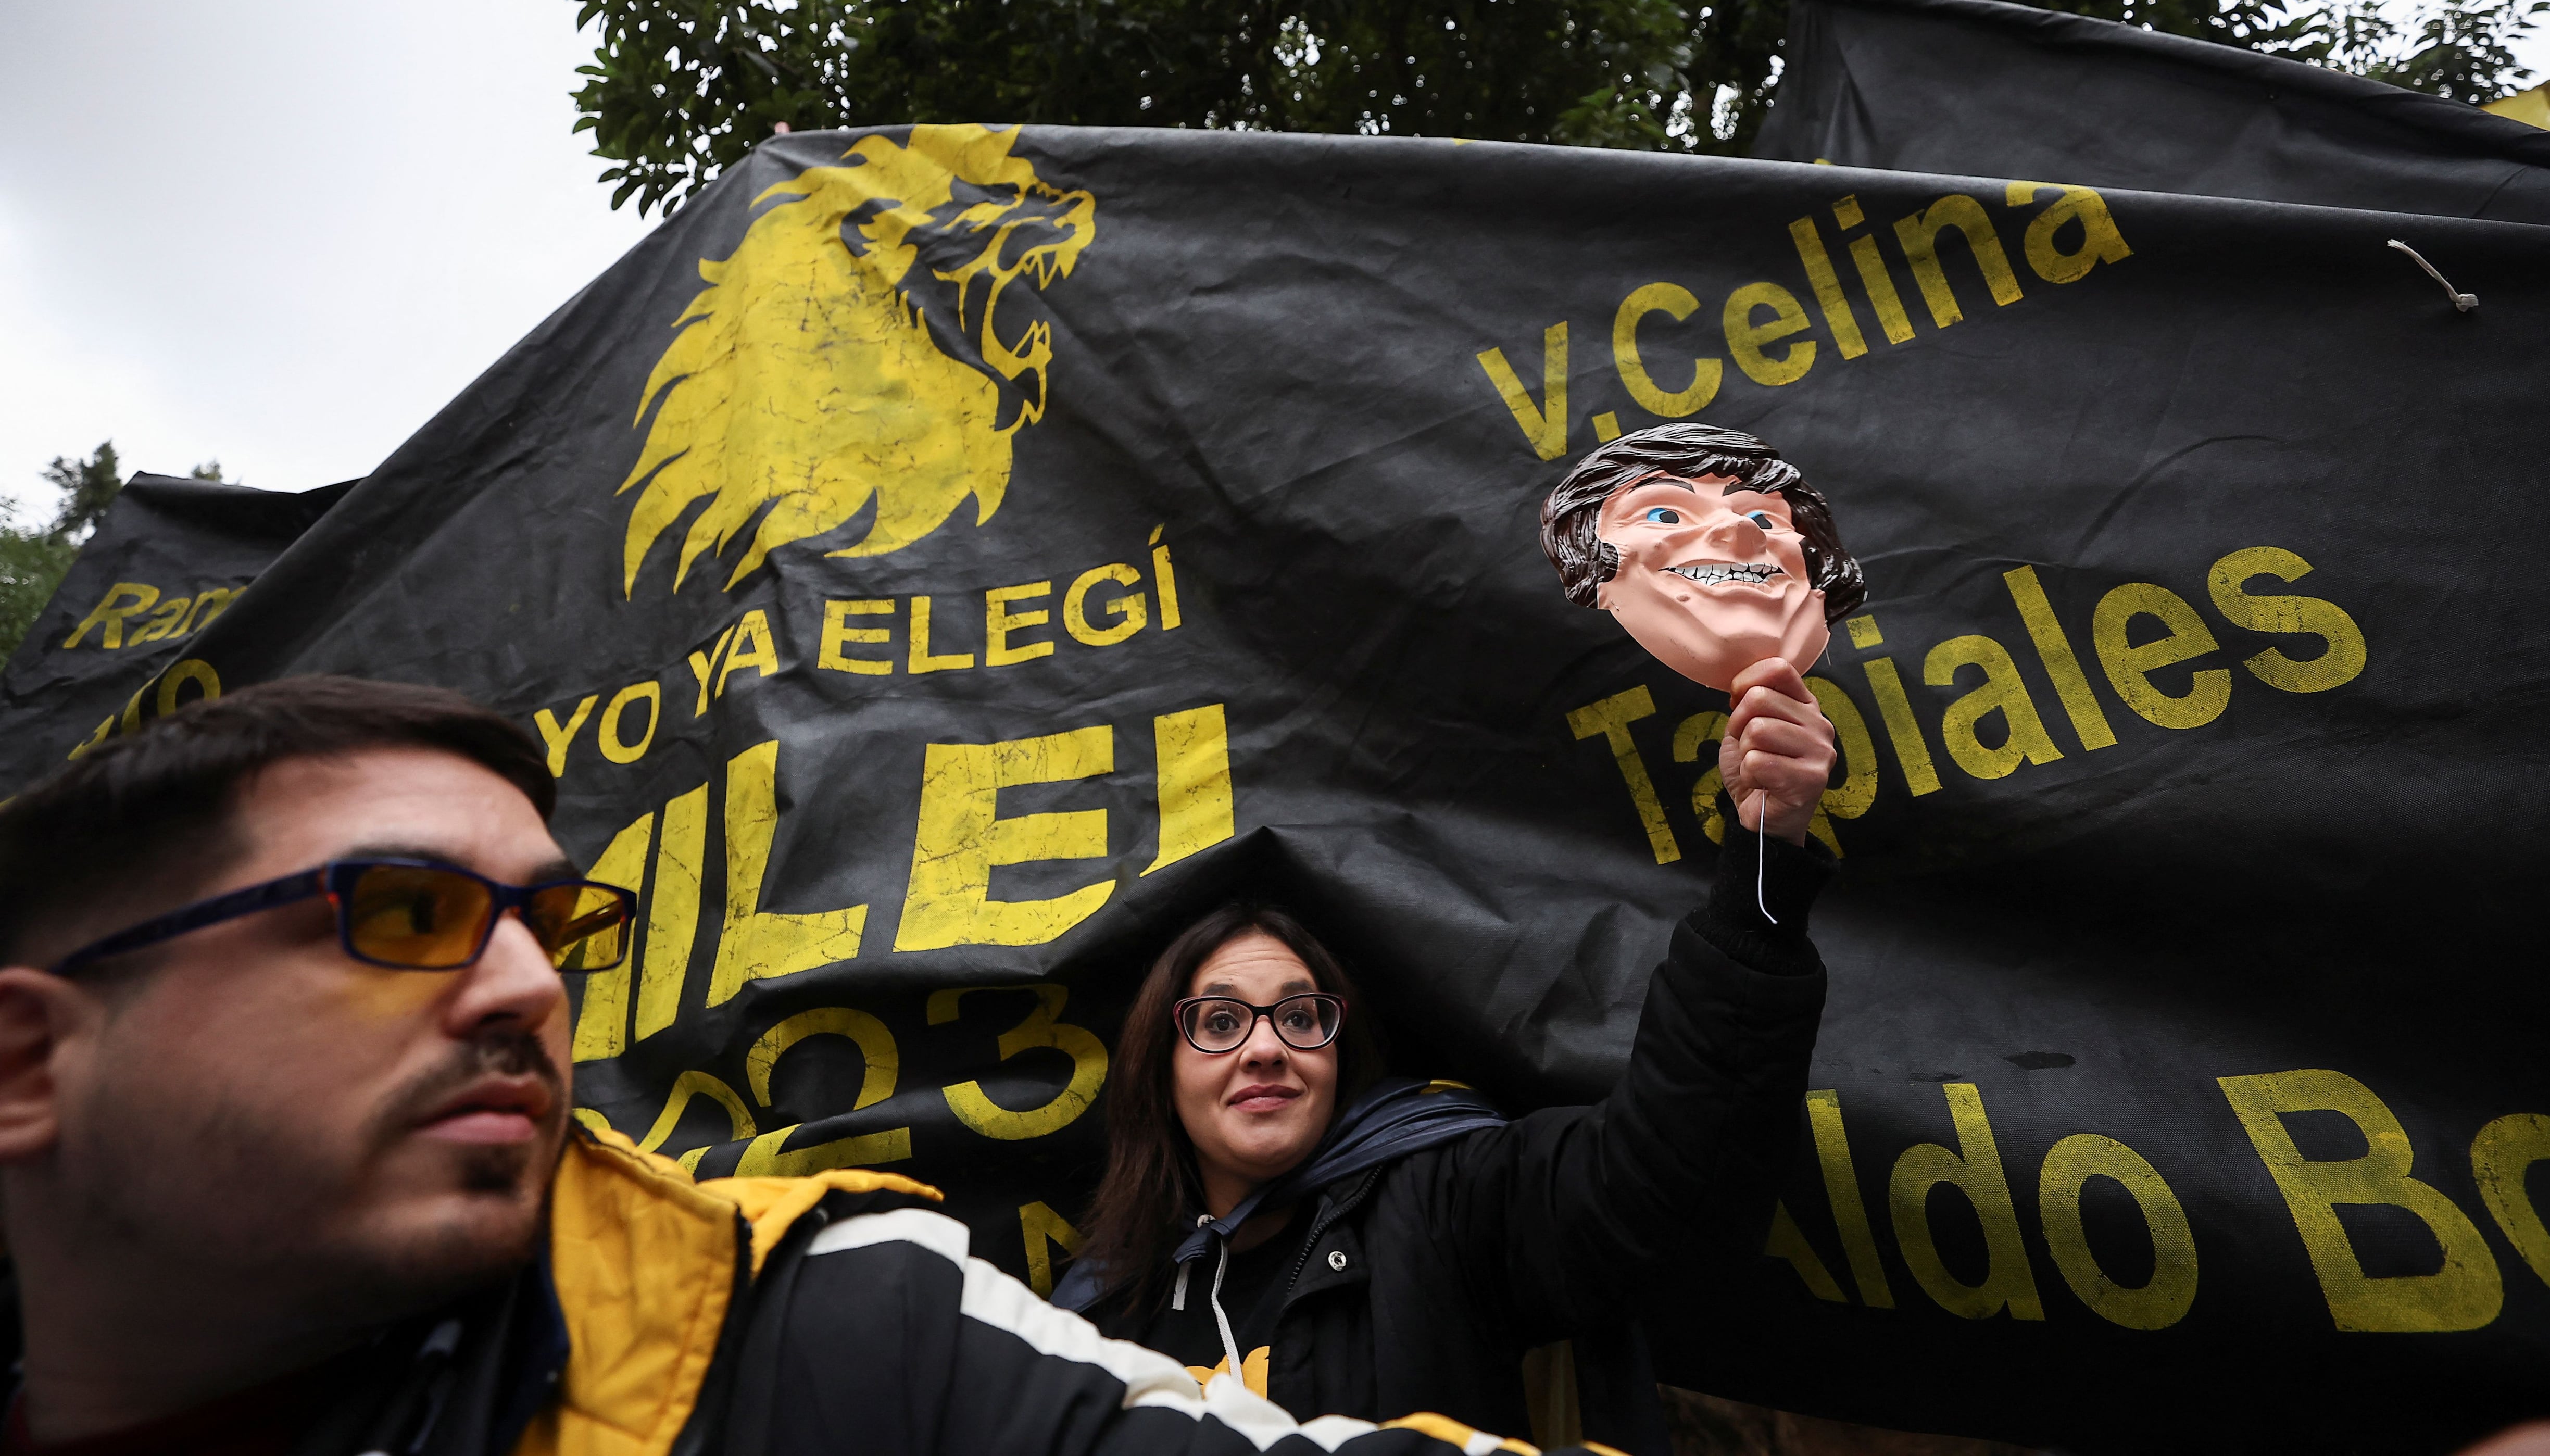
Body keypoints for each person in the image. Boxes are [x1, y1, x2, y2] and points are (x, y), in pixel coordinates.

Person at [0, 675, 1573, 1456]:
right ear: (28, 1062)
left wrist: (1765, 890)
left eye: (555, 925)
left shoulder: (815, 1330)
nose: (530, 986)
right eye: (406, 914)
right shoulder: (1119, 1278)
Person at [1052, 430, 1855, 1454]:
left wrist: (1763, 856)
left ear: (1344, 1050)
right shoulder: (1088, 1315)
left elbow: (1670, 1171)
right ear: (1158, 1069)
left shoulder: (1444, 1204)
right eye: (1217, 1020)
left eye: (1301, 1013)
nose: (1264, 1046)